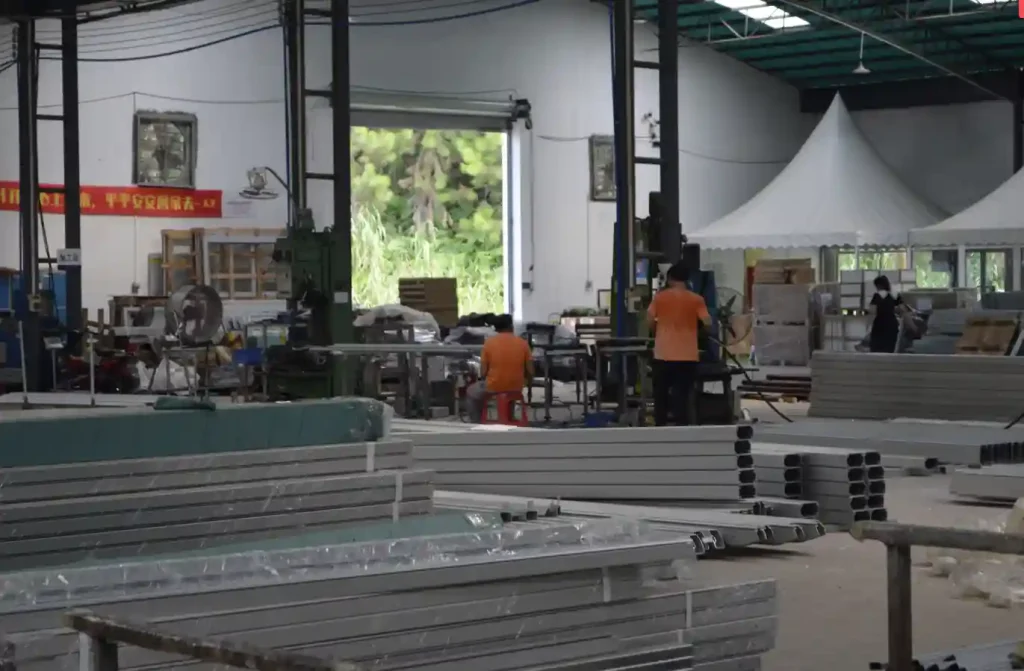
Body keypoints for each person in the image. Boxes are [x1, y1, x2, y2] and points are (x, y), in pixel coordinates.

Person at [646, 262, 711, 426]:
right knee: (682, 394)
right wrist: (700, 332)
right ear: (687, 279)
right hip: (688, 355)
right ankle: (682, 426)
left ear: (669, 279)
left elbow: (649, 318)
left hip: (663, 354)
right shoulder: (697, 299)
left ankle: (661, 425)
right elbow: (708, 323)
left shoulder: (660, 297)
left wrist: (656, 332)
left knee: (660, 394)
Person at [465, 314, 533, 422]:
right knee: (509, 391)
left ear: (496, 328)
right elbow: (530, 371)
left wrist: (485, 378)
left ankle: (477, 421)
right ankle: (509, 418)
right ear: (511, 326)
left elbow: (483, 372)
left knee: (471, 392)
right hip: (516, 386)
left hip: (494, 386)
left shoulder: (489, 343)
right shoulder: (523, 343)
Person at [868, 275, 903, 353]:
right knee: (890, 349)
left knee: (877, 350)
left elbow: (872, 311)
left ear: (878, 286)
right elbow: (902, 309)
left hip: (880, 325)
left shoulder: (877, 296)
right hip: (892, 325)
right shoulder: (895, 295)